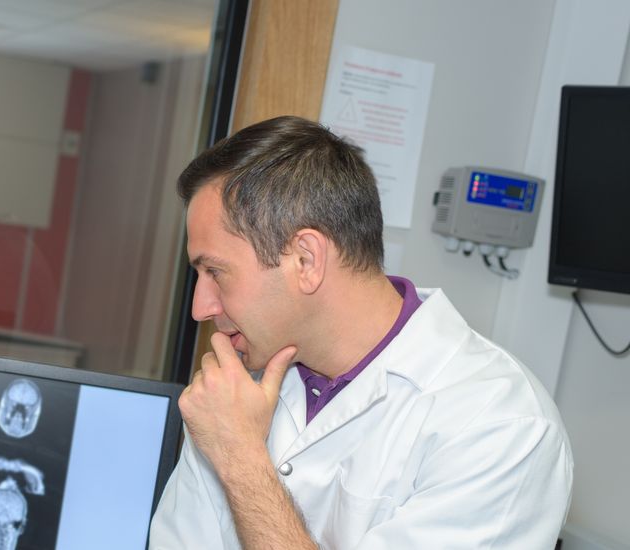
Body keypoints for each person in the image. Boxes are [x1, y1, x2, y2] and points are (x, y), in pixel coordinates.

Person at [148, 116, 572, 549]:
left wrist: (241, 458)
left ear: (306, 260)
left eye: (215, 272)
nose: (202, 307)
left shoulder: (501, 427)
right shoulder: (236, 387)